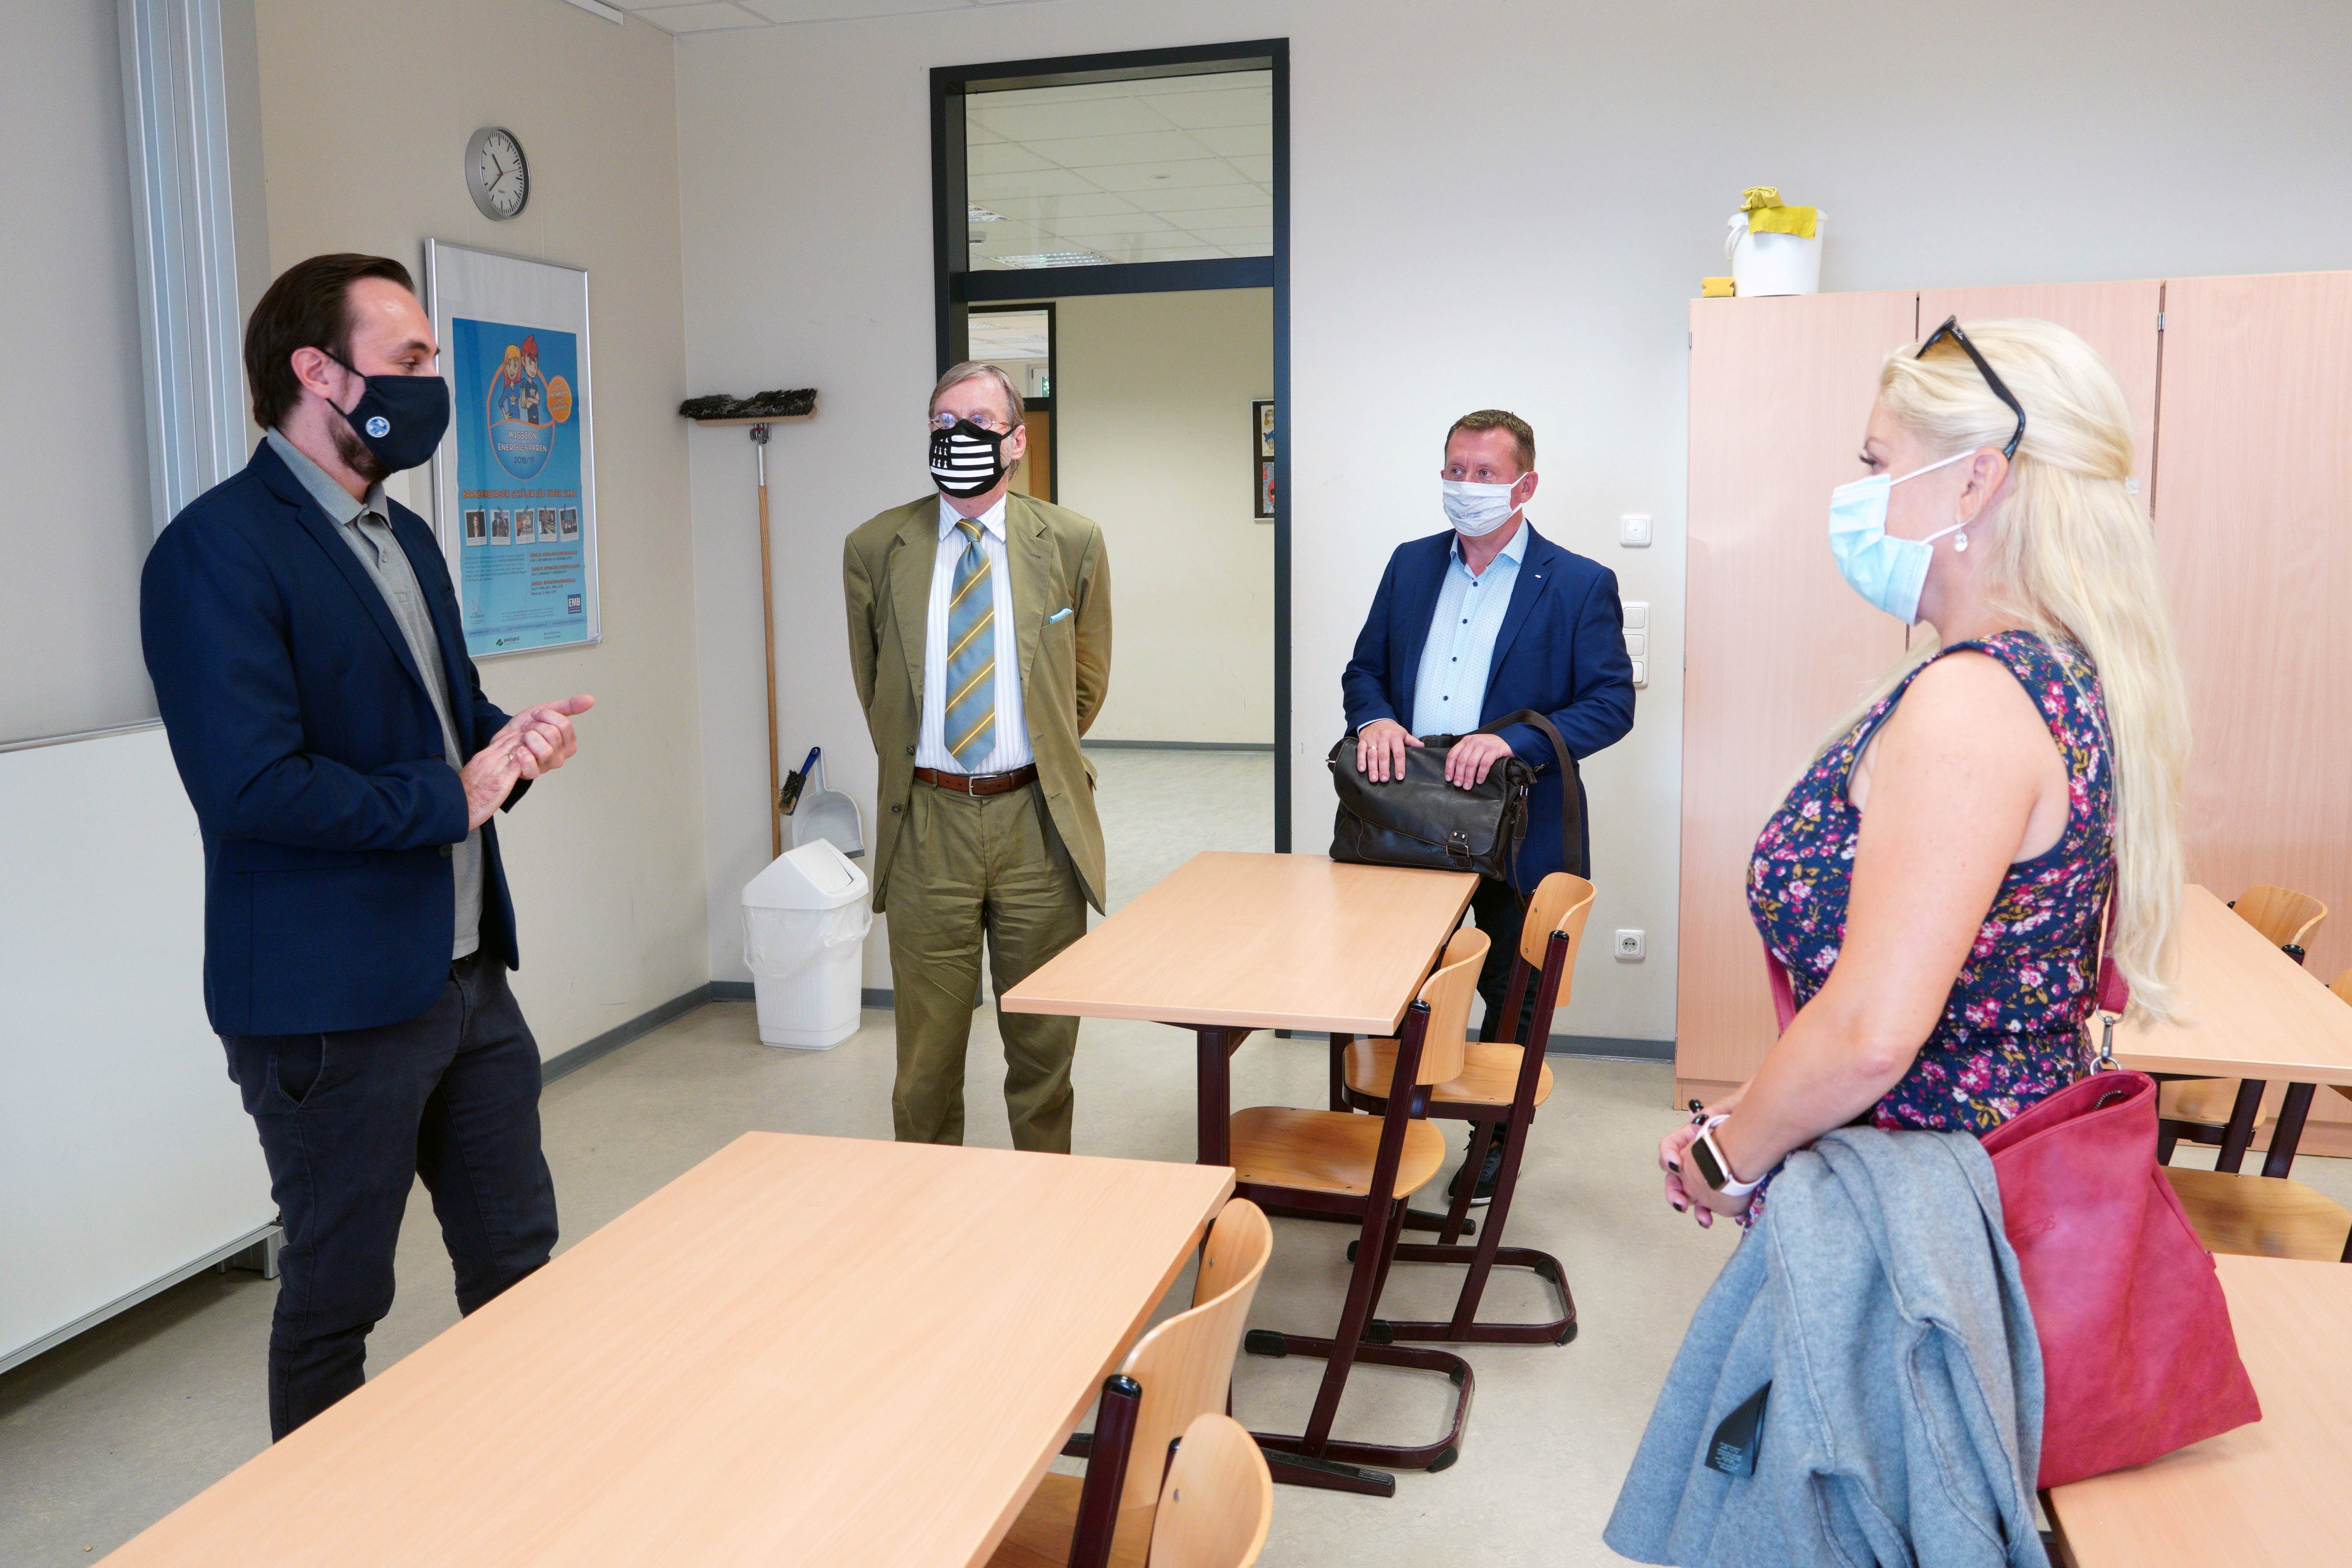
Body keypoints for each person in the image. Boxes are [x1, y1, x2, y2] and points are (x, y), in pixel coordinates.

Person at [140, 253, 595, 1439]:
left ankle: (532, 1496)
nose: (432, 382)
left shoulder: (407, 537)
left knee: (521, 1258)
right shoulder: (216, 550)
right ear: (318, 372)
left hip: (466, 977)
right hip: (329, 1006)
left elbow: (450, 720)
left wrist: (513, 743)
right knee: (341, 1296)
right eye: (410, 360)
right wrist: (451, 796)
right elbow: (251, 784)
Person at [1659, 317, 2189, 1231]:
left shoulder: (1971, 704)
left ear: (1975, 481)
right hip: (1967, 1181)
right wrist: (1750, 1109)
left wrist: (1724, 1163)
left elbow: (1870, 1034)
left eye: (1875, 464)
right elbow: (1915, 992)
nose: (1860, 494)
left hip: (1924, 1219)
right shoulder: (2046, 672)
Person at [1343, 408, 1636, 1200]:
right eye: (1454, 470)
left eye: (1483, 473)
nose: (1465, 487)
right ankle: (1386, 1129)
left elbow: (1610, 704)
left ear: (1524, 484)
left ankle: (1495, 1138)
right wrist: (1372, 717)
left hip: (1517, 824)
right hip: (1409, 816)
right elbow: (1363, 669)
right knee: (1395, 980)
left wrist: (1517, 744)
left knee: (1509, 986)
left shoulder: (1577, 583)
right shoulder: (1409, 566)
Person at [843, 362, 1111, 1153]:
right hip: (928, 824)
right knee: (925, 1063)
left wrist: (1036, 752)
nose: (958, 436)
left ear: (1016, 441)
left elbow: (1085, 685)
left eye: (978, 422)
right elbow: (877, 685)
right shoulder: (875, 546)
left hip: (1037, 822)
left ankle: (1045, 1208)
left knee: (1042, 1049)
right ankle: (930, 1226)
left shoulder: (1069, 541)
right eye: (941, 422)